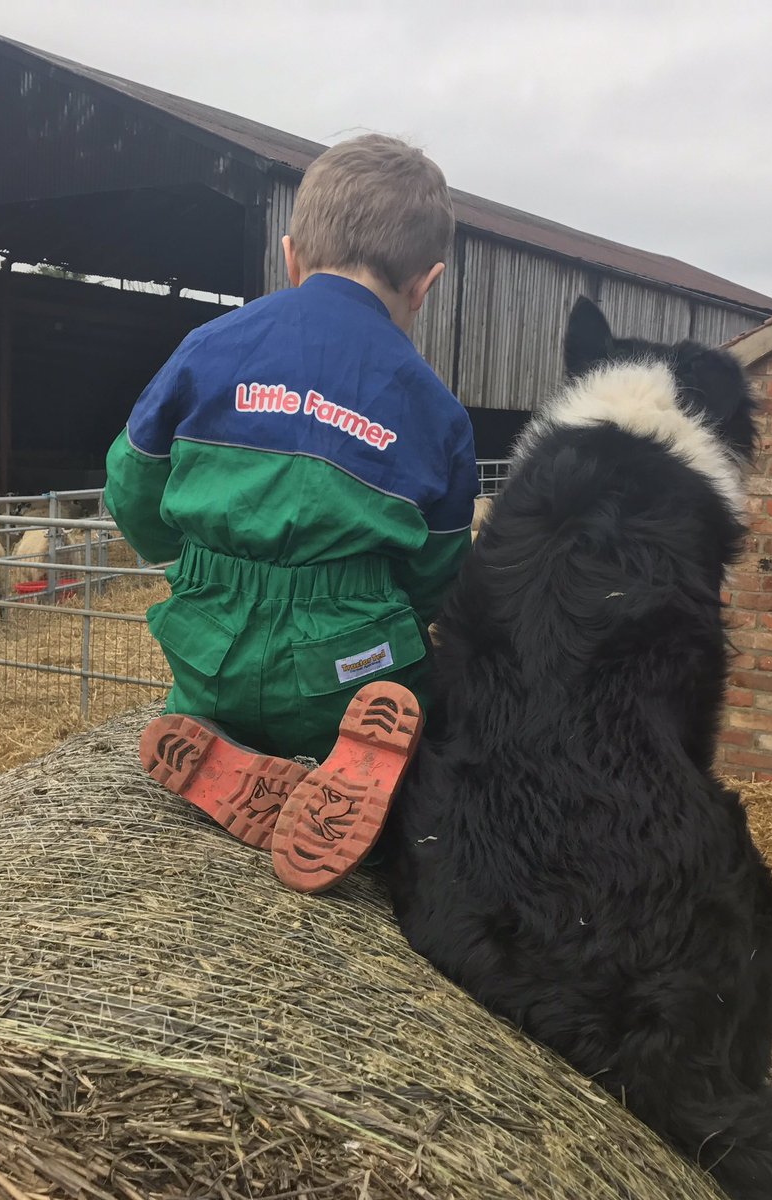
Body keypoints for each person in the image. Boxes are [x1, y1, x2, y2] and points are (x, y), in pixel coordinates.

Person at [103, 134, 477, 895]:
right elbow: (438, 569)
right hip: (349, 656)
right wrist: (385, 621)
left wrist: (184, 563)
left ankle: (218, 737)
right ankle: (354, 785)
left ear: (291, 254)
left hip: (211, 633)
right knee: (422, 726)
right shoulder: (433, 408)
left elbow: (131, 486)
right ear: (426, 283)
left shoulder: (207, 348)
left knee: (203, 703)